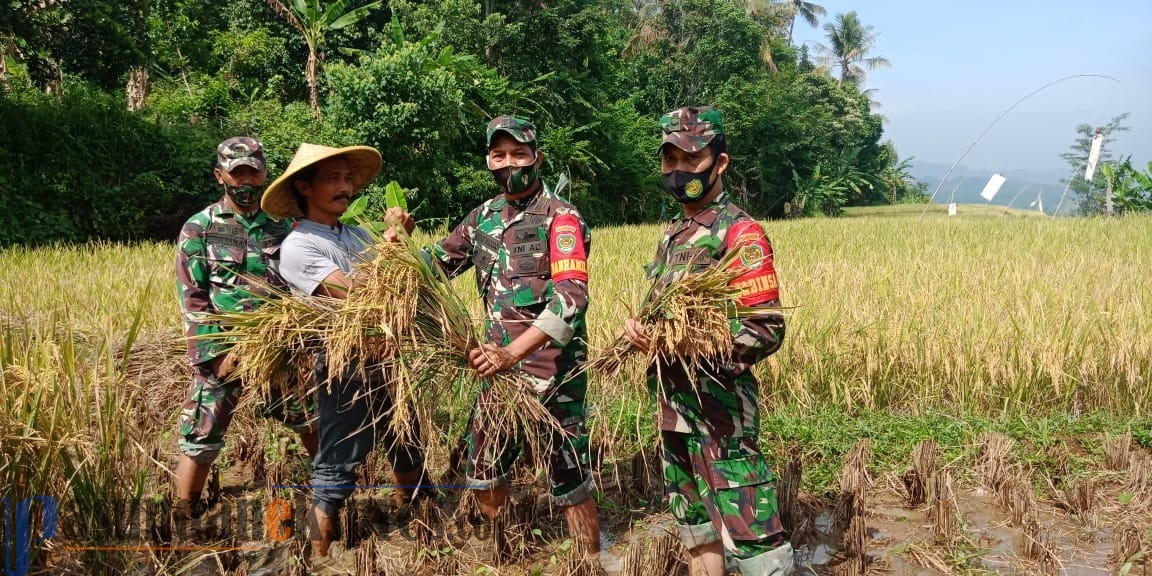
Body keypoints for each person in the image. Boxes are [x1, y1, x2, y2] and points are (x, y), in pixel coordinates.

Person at [414, 115, 600, 555]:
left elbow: (571, 299)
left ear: (537, 157)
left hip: (554, 369)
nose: (509, 162)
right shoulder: (482, 218)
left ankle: (589, 562)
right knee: (485, 465)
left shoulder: (561, 217)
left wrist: (512, 354)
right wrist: (396, 246)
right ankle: (508, 550)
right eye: (500, 154)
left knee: (568, 473)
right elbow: (434, 265)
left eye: (519, 153)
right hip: (498, 373)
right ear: (488, 160)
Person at [622, 107, 794, 576]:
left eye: (691, 159)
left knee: (756, 545)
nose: (679, 172)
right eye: (669, 160)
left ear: (720, 163)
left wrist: (681, 343)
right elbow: (667, 318)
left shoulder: (740, 234)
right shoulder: (674, 236)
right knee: (696, 530)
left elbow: (765, 329)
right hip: (674, 413)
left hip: (721, 419)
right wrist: (643, 332)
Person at [261, 143, 427, 565]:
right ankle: (318, 558)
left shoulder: (354, 234)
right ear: (303, 187)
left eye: (347, 178)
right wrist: (392, 246)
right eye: (332, 179)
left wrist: (398, 244)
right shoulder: (298, 246)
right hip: (345, 367)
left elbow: (405, 284)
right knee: (336, 469)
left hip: (388, 362)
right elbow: (358, 297)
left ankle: (421, 528)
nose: (345, 186)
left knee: (407, 445)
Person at [173, 137, 318, 519]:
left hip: (280, 345)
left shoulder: (286, 224)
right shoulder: (200, 229)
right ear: (220, 175)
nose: (247, 181)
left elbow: (308, 278)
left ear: (265, 173)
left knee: (310, 420)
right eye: (238, 173)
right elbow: (194, 298)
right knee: (201, 434)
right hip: (226, 348)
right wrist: (213, 357)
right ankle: (183, 514)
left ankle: (331, 499)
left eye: (254, 171)